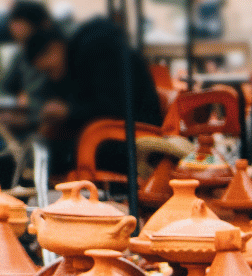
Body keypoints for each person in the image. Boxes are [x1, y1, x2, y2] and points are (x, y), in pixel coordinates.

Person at [25, 17, 162, 175]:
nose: (52, 77)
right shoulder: (78, 59)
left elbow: (113, 108)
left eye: (49, 71)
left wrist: (68, 112)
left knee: (49, 156)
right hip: (111, 132)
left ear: (55, 48)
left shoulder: (98, 53)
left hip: (135, 136)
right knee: (42, 150)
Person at [0, 0, 53, 118]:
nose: (13, 27)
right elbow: (5, 86)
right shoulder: (22, 54)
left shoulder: (50, 52)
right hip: (22, 116)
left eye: (18, 22)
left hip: (40, 121)